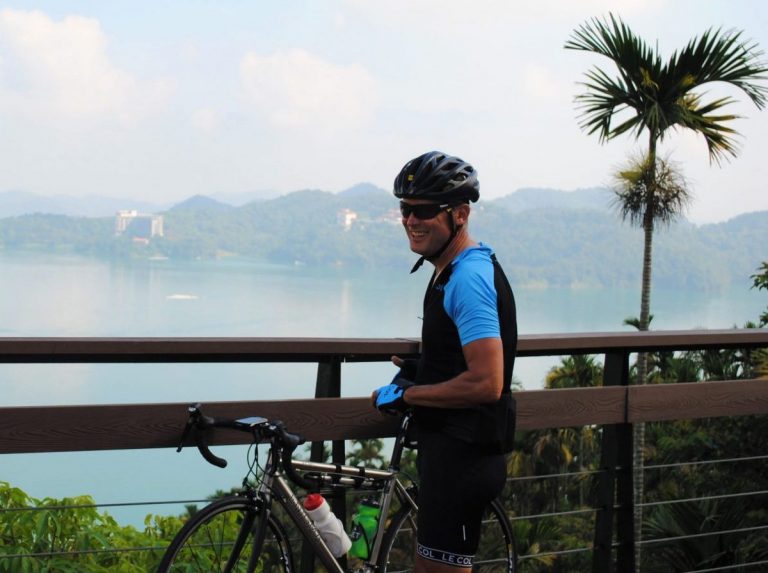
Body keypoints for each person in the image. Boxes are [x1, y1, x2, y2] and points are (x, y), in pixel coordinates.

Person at [372, 151, 518, 573]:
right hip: (452, 455)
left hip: (463, 460)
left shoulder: (468, 278)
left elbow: (487, 382)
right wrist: (427, 366)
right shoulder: (450, 269)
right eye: (404, 209)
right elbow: (465, 358)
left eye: (423, 211)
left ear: (460, 214)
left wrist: (410, 395)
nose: (410, 220)